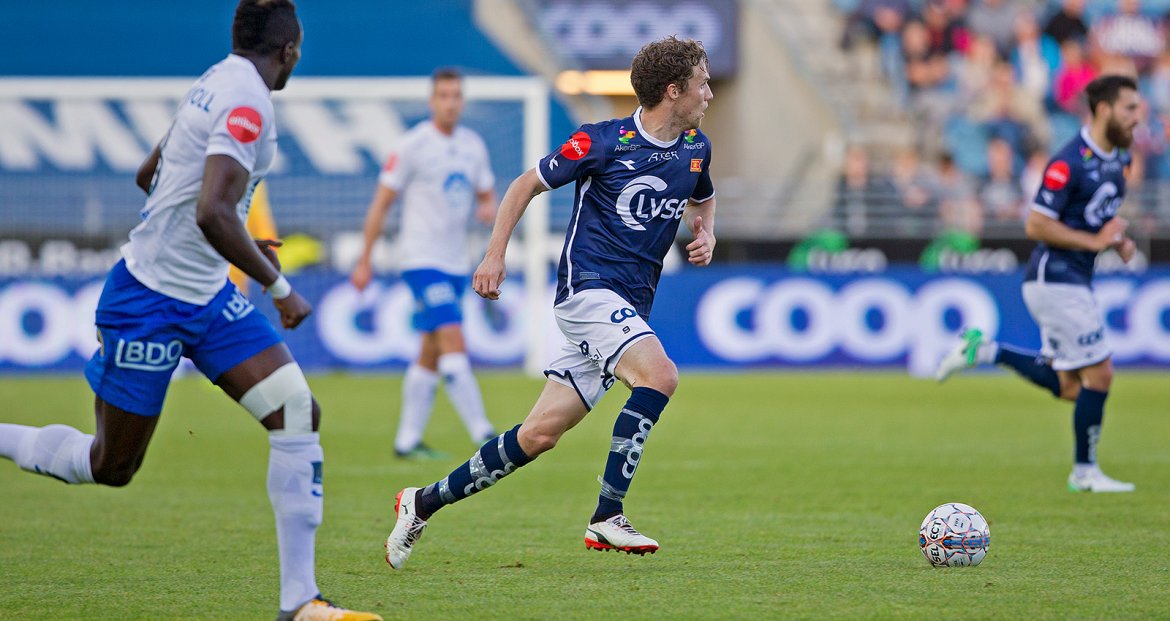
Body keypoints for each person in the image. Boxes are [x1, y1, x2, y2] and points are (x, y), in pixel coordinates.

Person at [0, 3, 380, 619]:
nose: (297, 59)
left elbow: (151, 173)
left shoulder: (212, 82)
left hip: (207, 297)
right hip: (147, 301)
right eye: (298, 50)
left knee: (295, 411)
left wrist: (229, 239)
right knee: (111, 465)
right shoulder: (248, 102)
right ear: (287, 49)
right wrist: (279, 287)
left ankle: (300, 602)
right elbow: (210, 210)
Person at [383, 36, 716, 569]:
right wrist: (494, 256)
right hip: (587, 292)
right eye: (702, 81)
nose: (709, 92)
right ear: (673, 90)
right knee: (661, 376)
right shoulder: (601, 142)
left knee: (539, 435)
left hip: (631, 304)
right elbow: (522, 186)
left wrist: (708, 234)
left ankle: (420, 502)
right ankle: (607, 516)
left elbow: (702, 194)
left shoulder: (696, 146)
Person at [937, 75, 1141, 493]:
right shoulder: (1069, 162)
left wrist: (1116, 242)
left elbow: (1094, 218)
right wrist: (1096, 241)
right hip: (1055, 277)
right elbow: (1036, 224)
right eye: (1129, 109)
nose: (1138, 118)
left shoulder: (1120, 158)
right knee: (1100, 374)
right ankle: (1085, 473)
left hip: (1073, 278)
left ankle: (985, 349)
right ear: (1103, 109)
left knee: (1071, 387)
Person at [351, 68, 497, 460]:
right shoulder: (412, 145)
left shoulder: (473, 146)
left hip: (454, 262)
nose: (451, 102)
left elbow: (487, 193)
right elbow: (381, 204)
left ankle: (406, 440)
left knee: (431, 349)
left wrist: (487, 206)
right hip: (419, 259)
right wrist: (364, 260)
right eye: (444, 96)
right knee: (452, 336)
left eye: (456, 95)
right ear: (433, 101)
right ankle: (484, 433)